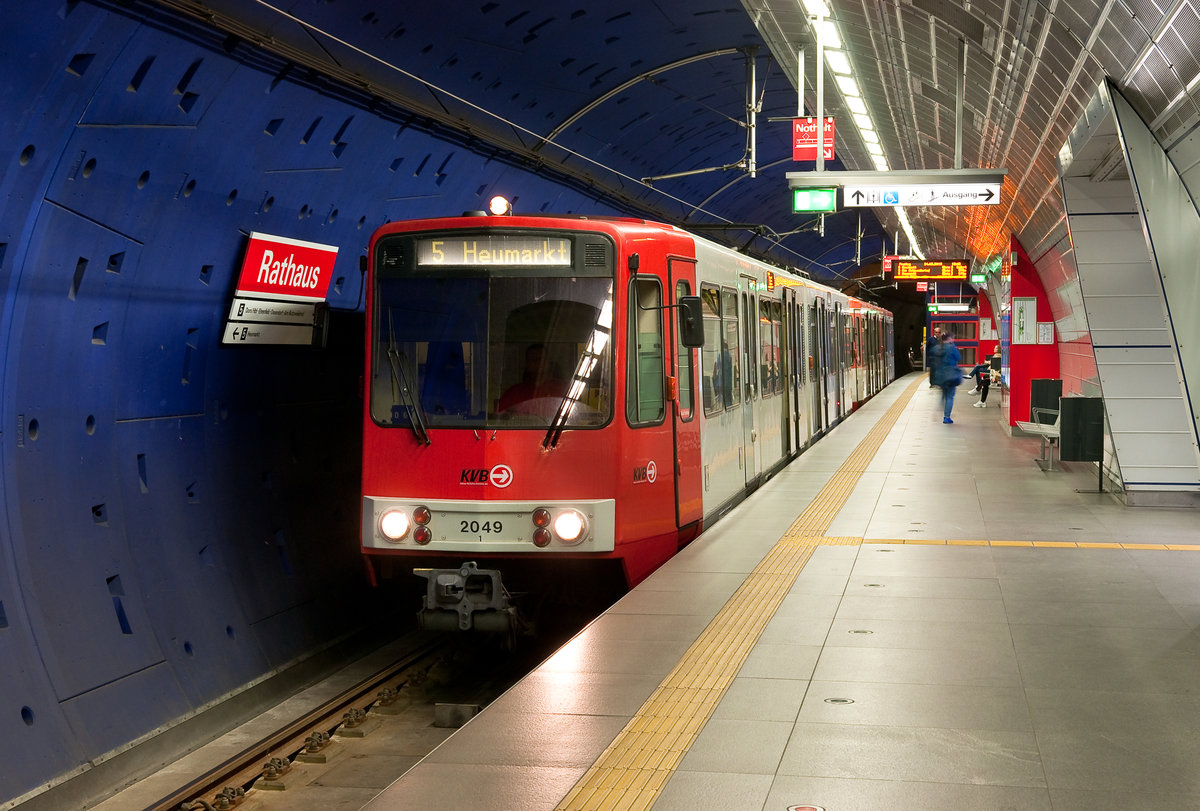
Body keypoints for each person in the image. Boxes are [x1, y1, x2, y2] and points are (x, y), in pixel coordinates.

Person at [498, 344, 568, 415]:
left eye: (540, 359)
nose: (537, 363)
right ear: (527, 364)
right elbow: (498, 419)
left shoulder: (565, 389)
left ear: (548, 362)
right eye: (532, 359)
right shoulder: (514, 393)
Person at [933, 333, 961, 423]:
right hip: (950, 376)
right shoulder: (952, 347)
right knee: (950, 396)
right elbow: (958, 358)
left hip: (940, 376)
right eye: (952, 338)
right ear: (949, 339)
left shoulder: (936, 348)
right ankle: (946, 417)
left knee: (944, 394)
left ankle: (939, 409)